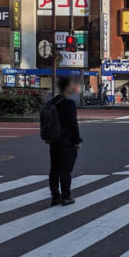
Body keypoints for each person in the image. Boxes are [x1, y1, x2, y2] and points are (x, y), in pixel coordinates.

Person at [48, 75, 83, 206]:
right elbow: (73, 124)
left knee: (54, 169)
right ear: (68, 87)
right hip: (67, 142)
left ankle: (55, 196)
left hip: (53, 141)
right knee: (65, 170)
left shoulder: (53, 102)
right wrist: (77, 140)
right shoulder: (69, 103)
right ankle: (66, 196)